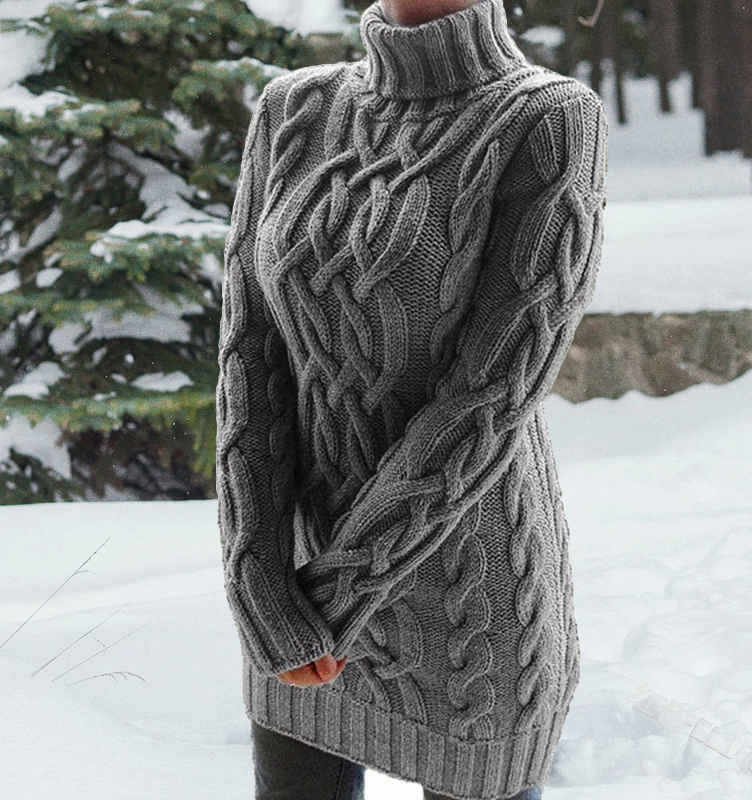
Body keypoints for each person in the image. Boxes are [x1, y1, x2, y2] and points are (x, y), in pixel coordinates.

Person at [215, 0, 609, 797]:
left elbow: (490, 397)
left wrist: (337, 594)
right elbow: (248, 359)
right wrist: (261, 585)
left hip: (470, 609)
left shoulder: (548, 118)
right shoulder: (294, 108)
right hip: (297, 608)